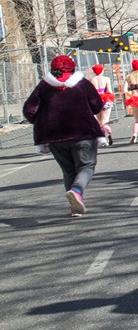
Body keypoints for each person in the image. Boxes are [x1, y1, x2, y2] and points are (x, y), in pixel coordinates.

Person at [23, 54, 105, 216]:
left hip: (55, 135)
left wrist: (42, 121)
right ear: (73, 68)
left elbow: (29, 110)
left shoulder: (43, 86)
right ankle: (77, 190)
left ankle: (75, 206)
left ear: (53, 70)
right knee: (87, 166)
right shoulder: (82, 84)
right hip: (83, 132)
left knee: (68, 170)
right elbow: (97, 105)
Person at [89, 64, 116, 145]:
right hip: (105, 100)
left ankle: (103, 140)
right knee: (104, 121)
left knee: (99, 122)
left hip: (95, 100)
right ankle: (108, 132)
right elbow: (109, 91)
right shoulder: (106, 79)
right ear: (102, 70)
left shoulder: (91, 80)